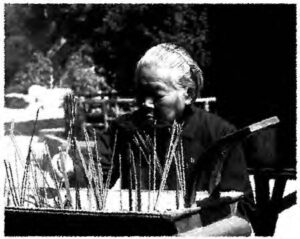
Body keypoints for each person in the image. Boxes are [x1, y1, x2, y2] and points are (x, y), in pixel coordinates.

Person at [66, 43, 254, 236]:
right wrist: (68, 169)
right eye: (140, 93)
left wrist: (194, 235)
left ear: (187, 94)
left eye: (157, 95)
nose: (145, 104)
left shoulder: (220, 135)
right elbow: (95, 176)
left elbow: (243, 217)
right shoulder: (125, 129)